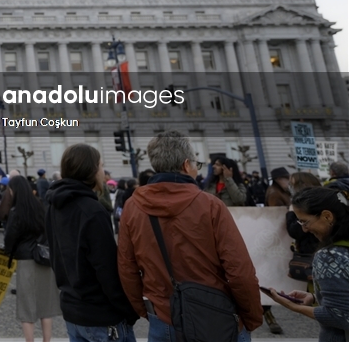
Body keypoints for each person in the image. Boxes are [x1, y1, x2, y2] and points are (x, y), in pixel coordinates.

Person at [117, 130, 262, 342]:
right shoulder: (211, 205)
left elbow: (127, 269)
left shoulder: (132, 207)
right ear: (186, 165)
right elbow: (239, 270)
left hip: (163, 317)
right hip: (215, 317)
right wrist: (251, 317)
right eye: (197, 164)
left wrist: (146, 310)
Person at [46, 143, 138, 342]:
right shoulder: (92, 211)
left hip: (73, 311)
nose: (103, 172)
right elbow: (107, 269)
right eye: (101, 166)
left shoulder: (55, 206)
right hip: (101, 316)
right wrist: (129, 310)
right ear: (91, 170)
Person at [265, 186, 349, 341]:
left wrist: (295, 307)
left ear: (327, 216)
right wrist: (316, 297)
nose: (303, 229)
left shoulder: (329, 256)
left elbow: (340, 316)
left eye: (304, 221)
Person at [3, 174, 60, 342]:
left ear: (13, 191)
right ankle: (46, 340)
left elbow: (10, 238)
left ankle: (30, 341)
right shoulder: (40, 206)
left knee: (26, 305)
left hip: (26, 260)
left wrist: (8, 252)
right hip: (44, 258)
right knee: (45, 304)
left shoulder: (16, 211)